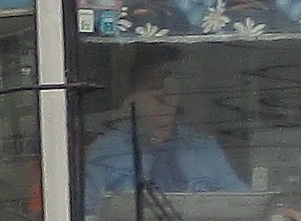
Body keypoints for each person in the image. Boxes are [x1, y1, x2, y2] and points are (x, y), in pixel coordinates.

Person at [83, 55, 250, 198]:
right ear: (132, 99)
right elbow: (87, 217)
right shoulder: (107, 151)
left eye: (171, 93)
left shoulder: (203, 147)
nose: (165, 102)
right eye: (155, 95)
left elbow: (241, 201)